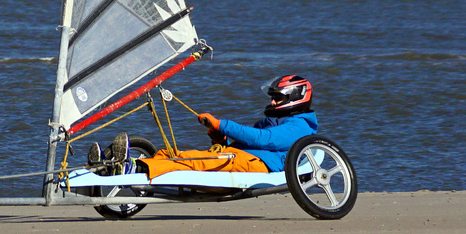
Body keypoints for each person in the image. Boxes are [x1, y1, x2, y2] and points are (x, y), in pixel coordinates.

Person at [107, 74, 319, 179]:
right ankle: (126, 164)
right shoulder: (272, 122)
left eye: (278, 98)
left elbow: (263, 140)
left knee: (194, 163)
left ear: (295, 98)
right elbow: (248, 140)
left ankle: (135, 169)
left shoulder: (300, 127)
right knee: (176, 154)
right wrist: (220, 139)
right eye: (272, 97)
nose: (272, 102)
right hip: (241, 157)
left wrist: (221, 124)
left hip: (263, 164)